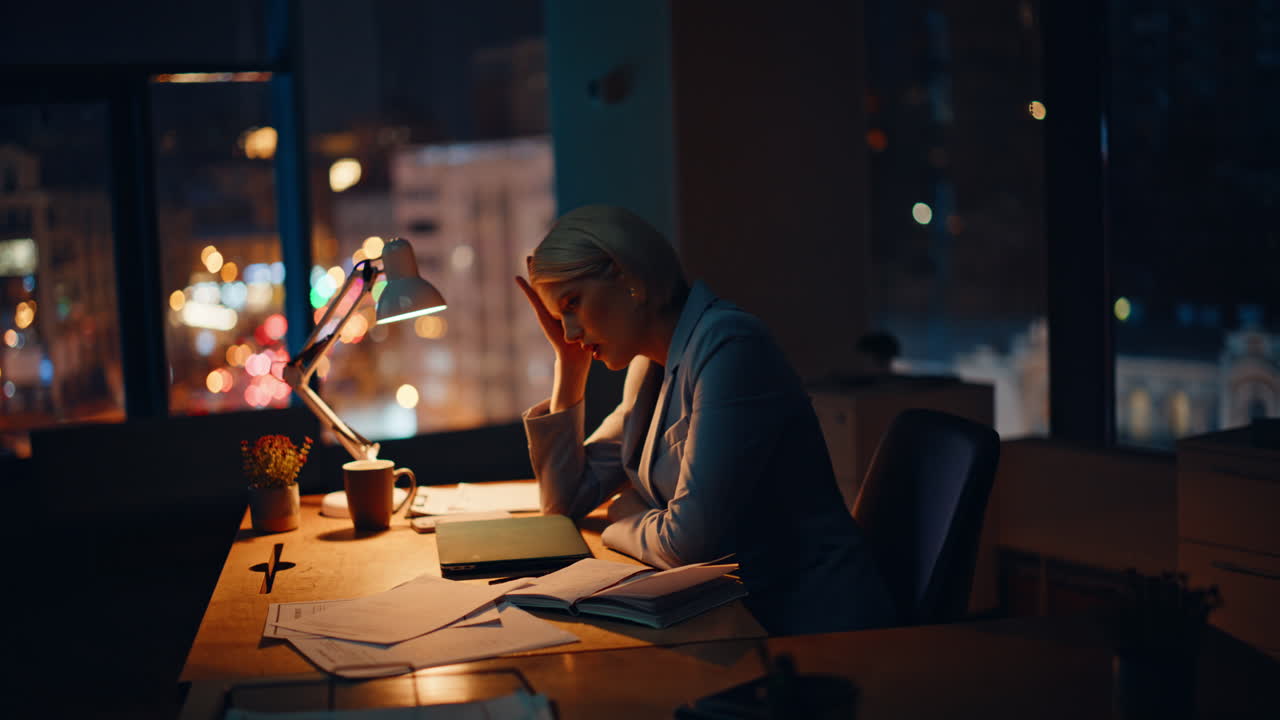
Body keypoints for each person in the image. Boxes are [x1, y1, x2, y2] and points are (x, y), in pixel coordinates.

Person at [516, 205, 895, 635]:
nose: (568, 331)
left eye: (572, 304)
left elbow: (686, 545)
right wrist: (569, 367)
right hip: (735, 615)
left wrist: (618, 515)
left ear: (627, 277)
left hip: (815, 625)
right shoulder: (649, 364)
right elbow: (564, 502)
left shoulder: (730, 347)